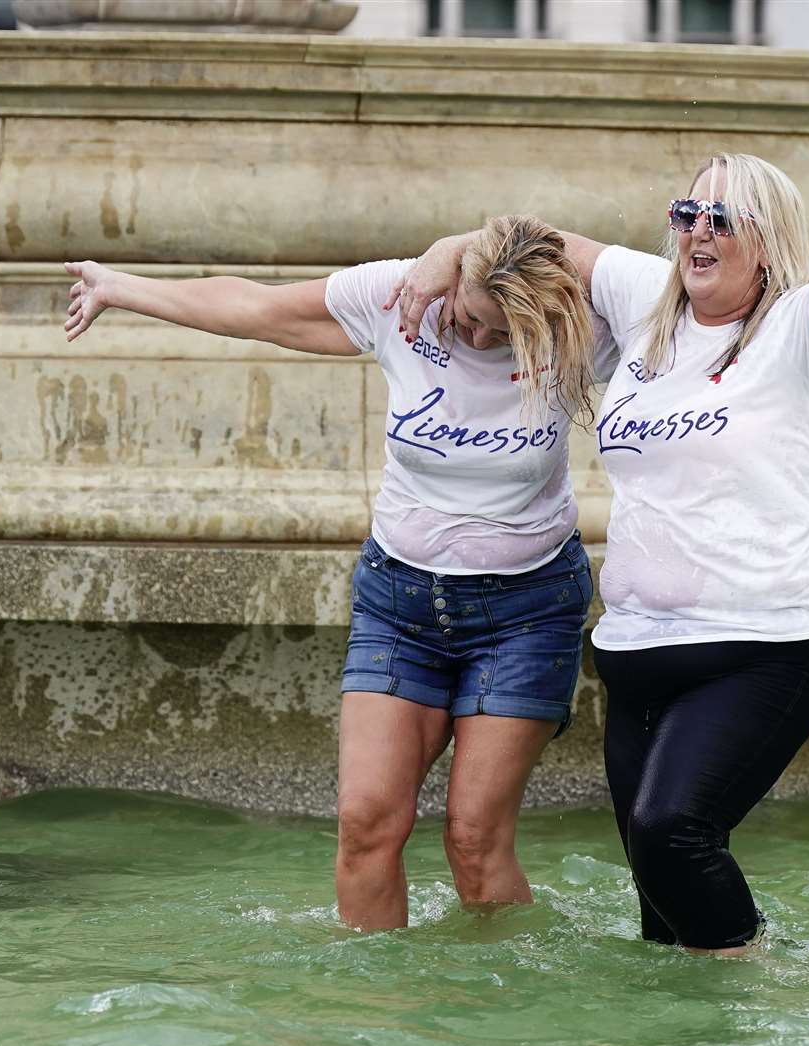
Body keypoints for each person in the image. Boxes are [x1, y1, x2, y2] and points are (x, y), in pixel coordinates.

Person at [387, 53, 809, 953]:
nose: (699, 232)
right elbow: (533, 239)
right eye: (688, 213)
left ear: (768, 242)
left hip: (768, 645)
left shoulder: (802, 329)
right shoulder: (651, 302)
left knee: (671, 834)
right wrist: (450, 252)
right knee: (657, 909)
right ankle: (689, 1043)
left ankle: (765, 998)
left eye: (725, 218)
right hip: (640, 651)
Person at [63, 215, 615, 931]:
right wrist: (121, 287)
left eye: (500, 333)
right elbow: (259, 309)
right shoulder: (403, 298)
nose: (476, 338)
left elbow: (676, 298)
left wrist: (457, 245)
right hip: (400, 606)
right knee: (365, 826)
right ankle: (375, 1015)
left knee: (473, 840)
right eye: (469, 317)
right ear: (453, 283)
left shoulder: (580, 332)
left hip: (526, 611)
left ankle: (494, 1024)